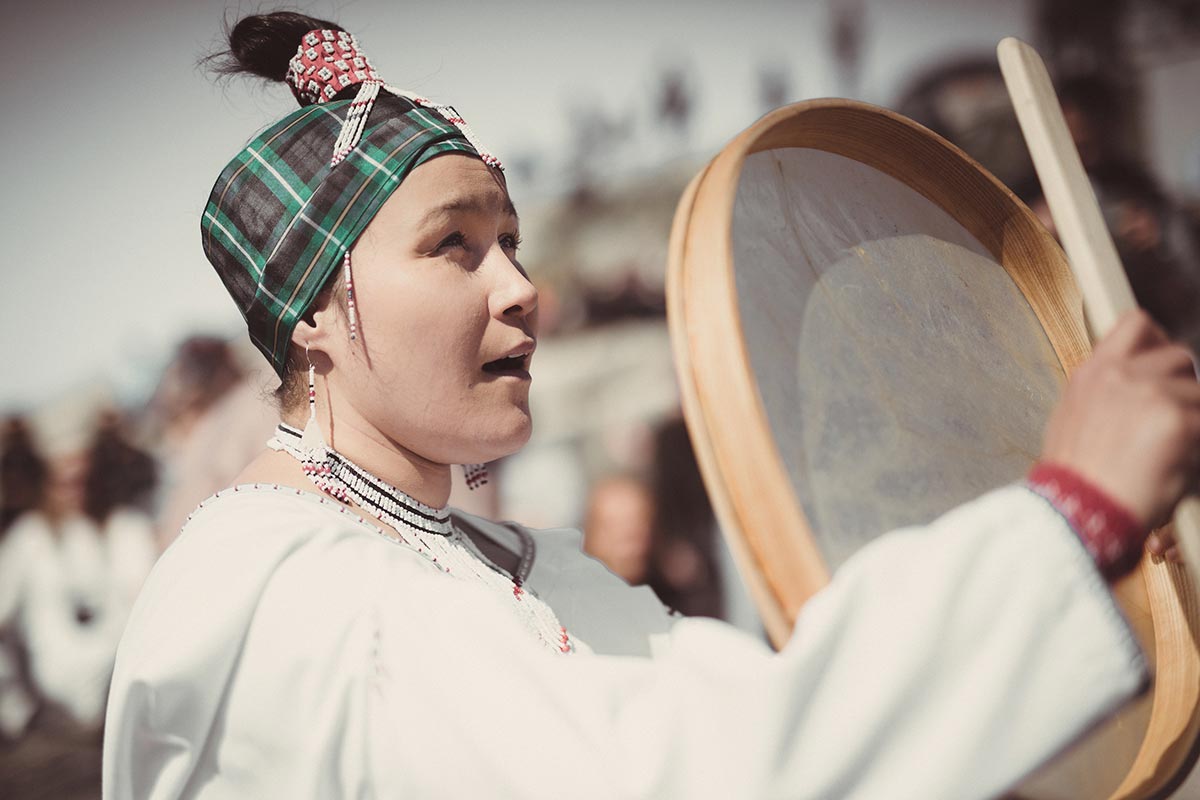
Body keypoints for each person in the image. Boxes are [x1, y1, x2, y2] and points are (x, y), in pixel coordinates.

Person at [102, 11, 1200, 799]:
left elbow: (752, 701)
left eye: (513, 243)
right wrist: (1071, 512)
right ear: (311, 311)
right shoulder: (300, 604)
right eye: (454, 245)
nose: (522, 288)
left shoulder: (490, 556)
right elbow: (693, 772)